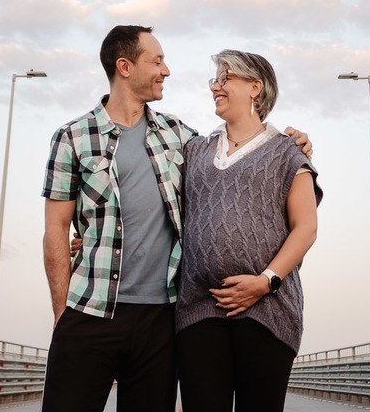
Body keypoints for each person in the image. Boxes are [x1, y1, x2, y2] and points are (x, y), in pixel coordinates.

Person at [39, 26, 311, 412]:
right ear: (125, 67)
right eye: (157, 60)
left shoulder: (180, 137)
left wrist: (294, 142)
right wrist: (62, 314)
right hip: (89, 309)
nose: (166, 70)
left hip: (161, 320)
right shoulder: (72, 137)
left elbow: (237, 163)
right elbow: (54, 231)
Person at [175, 49, 322, 412]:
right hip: (199, 309)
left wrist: (266, 281)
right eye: (215, 80)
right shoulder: (194, 150)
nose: (215, 87)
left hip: (267, 311)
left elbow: (306, 228)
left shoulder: (288, 152)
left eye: (225, 78)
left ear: (255, 87)